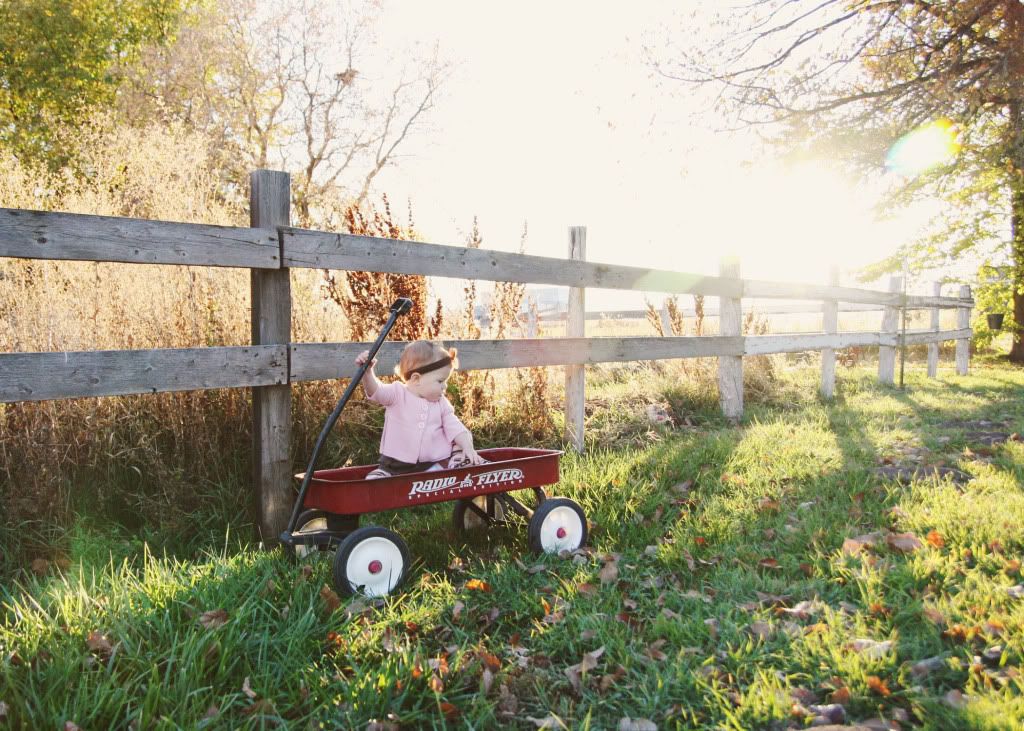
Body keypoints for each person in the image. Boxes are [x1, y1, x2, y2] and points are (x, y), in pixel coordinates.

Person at [355, 340, 486, 479]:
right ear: (416, 379)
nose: (445, 386)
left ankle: (459, 461)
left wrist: (467, 446)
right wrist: (367, 372)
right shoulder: (397, 394)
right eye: (440, 381)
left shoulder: (441, 403)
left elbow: (454, 426)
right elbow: (376, 391)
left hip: (434, 464)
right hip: (396, 465)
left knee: (459, 441)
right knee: (376, 478)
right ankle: (383, 477)